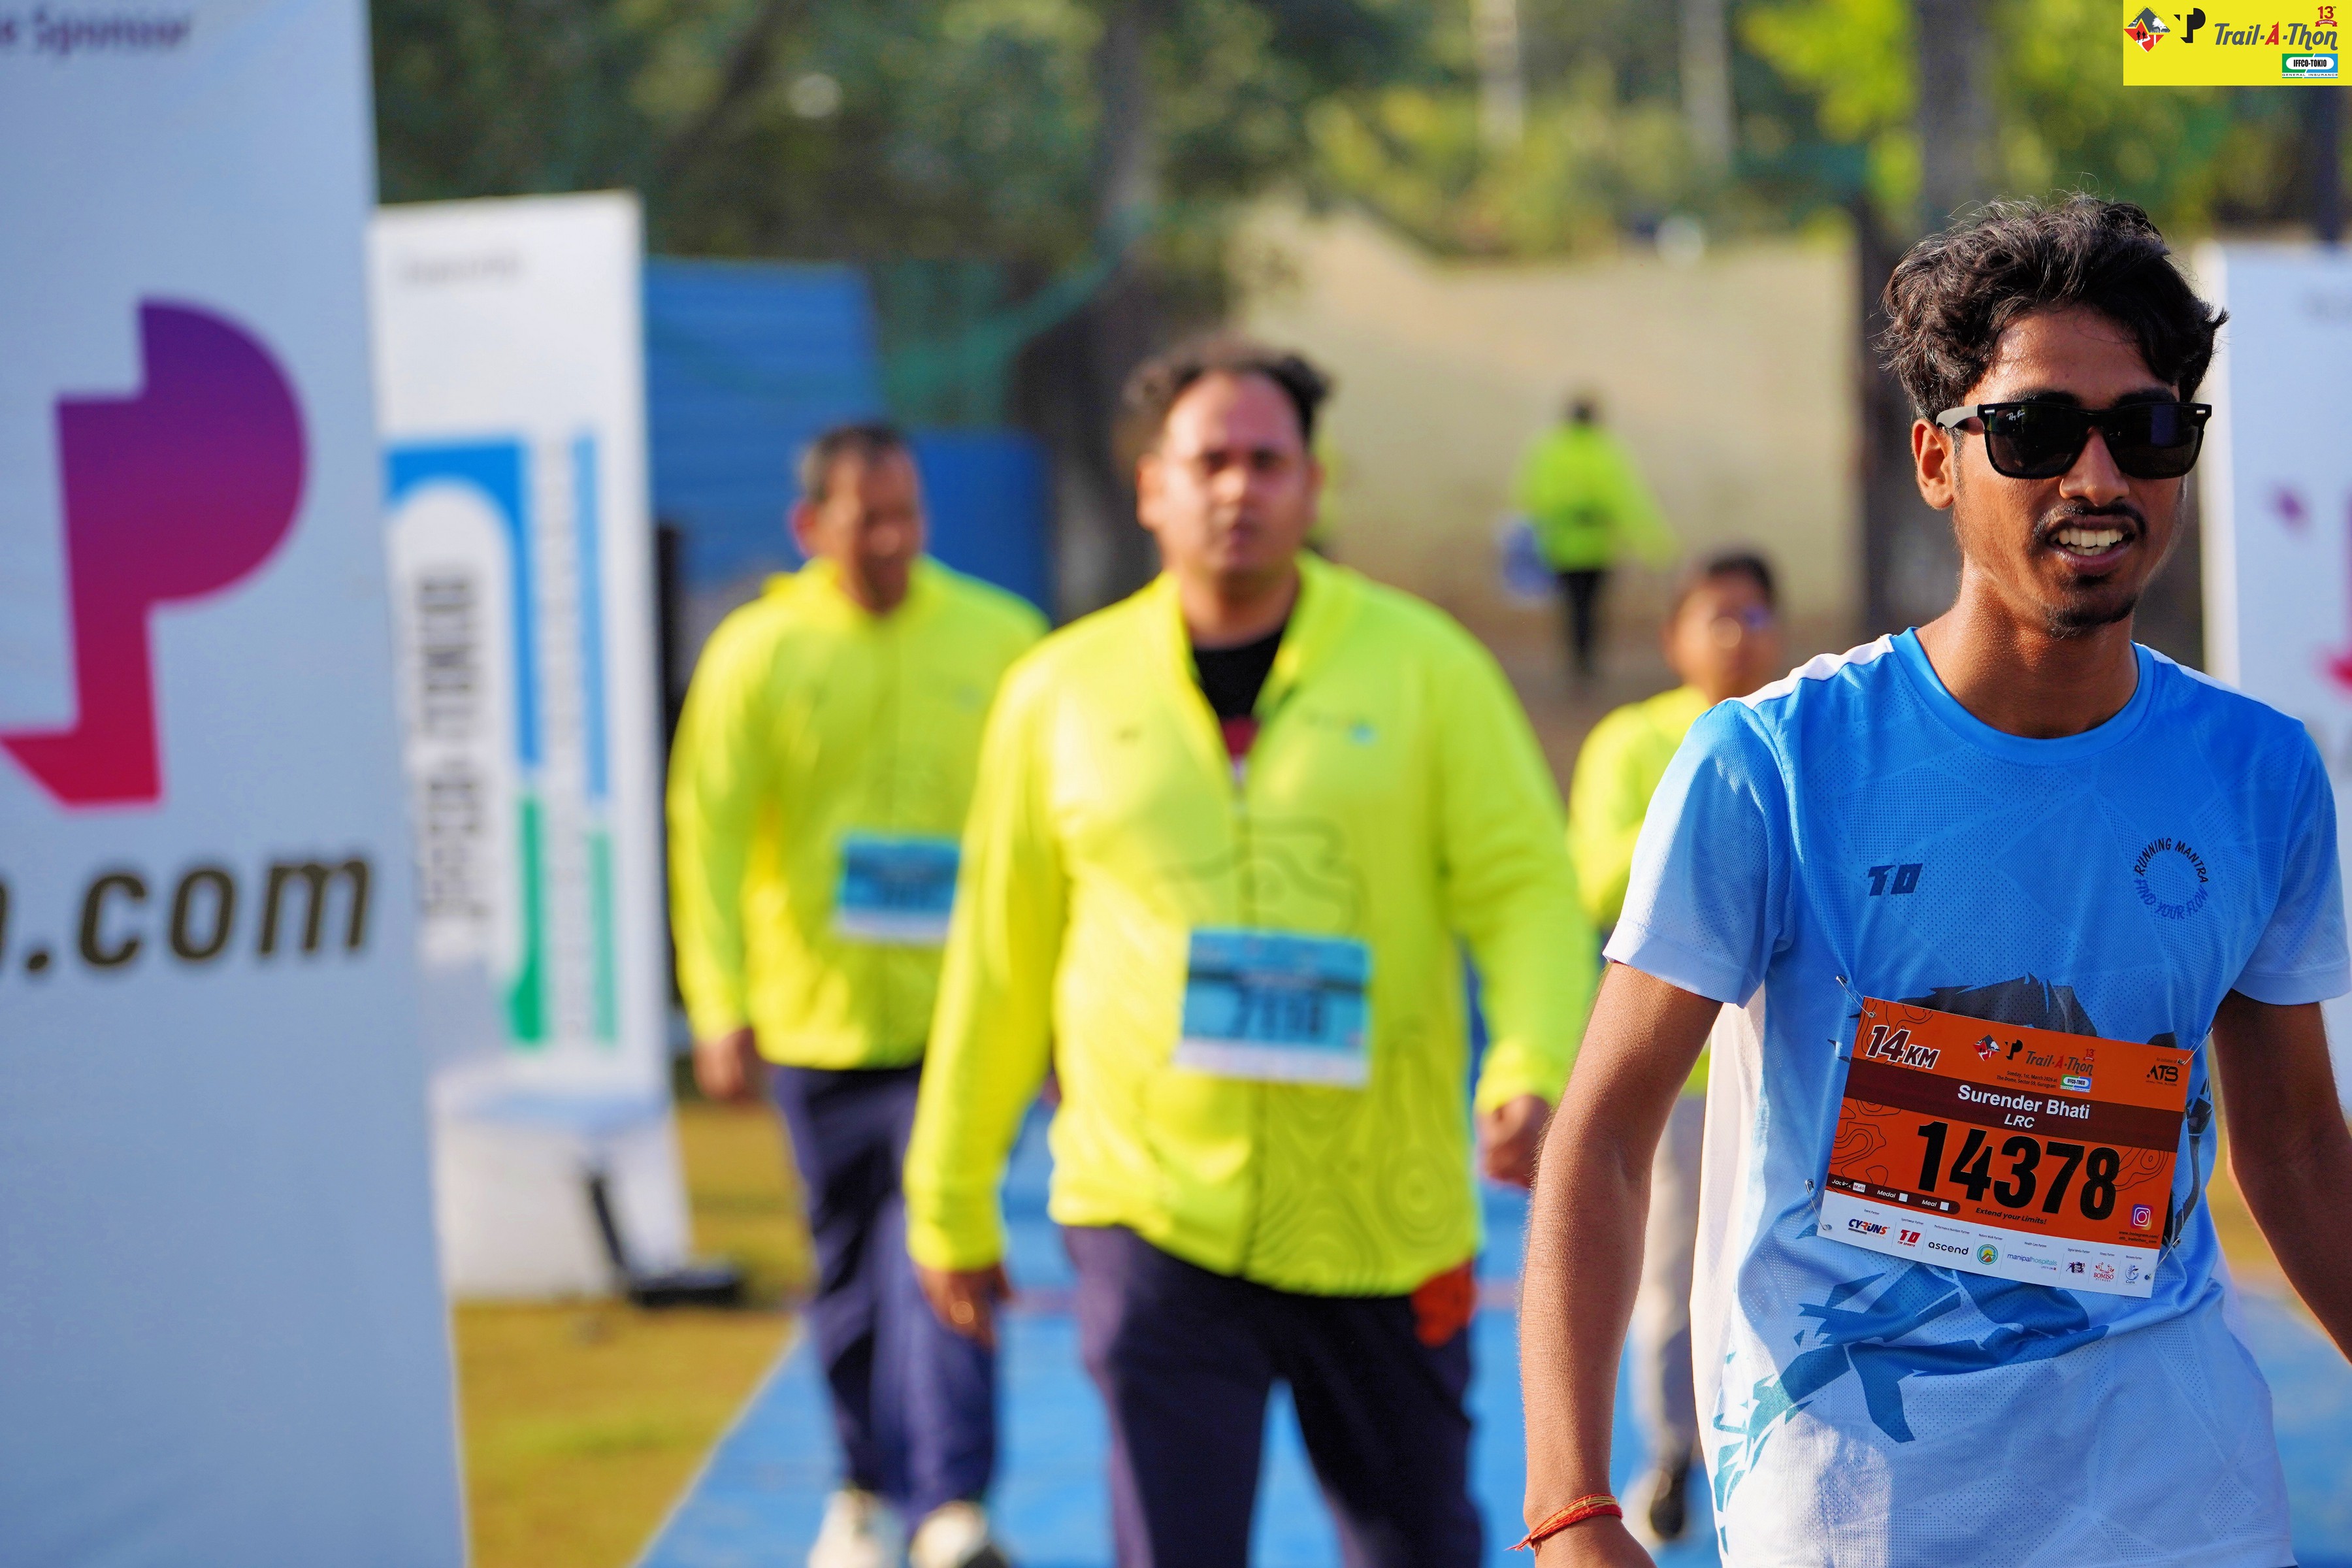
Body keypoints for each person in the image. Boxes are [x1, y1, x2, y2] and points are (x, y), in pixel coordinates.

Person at [1519, 194, 2352, 1568]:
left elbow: (2304, 1151)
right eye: (2035, 433)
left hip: (2179, 1505)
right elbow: (1605, 1137)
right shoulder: (1775, 766)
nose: (2097, 480)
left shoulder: (2258, 775)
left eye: (2147, 430)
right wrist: (1569, 1507)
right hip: (1857, 1515)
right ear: (1936, 460)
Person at [902, 336, 1593, 1567]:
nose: (1238, 488)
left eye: (1267, 462)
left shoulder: (1428, 669)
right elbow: (1000, 957)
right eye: (1208, 461)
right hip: (1150, 1210)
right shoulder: (1060, 692)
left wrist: (1531, 1065)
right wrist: (951, 1192)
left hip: (1384, 1216)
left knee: (1419, 1545)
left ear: (1312, 486)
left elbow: (1525, 891)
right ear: (1151, 488)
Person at [668, 423, 1045, 1568]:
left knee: (947, 1240)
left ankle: (954, 1506)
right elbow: (706, 834)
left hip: (965, 1020)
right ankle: (864, 1490)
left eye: (908, 515)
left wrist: (1057, 1012)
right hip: (816, 1024)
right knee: (848, 1273)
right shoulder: (757, 653)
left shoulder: (1002, 640)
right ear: (809, 526)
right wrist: (718, 1003)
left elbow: (1051, 836)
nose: (892, 539)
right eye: (866, 518)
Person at [1561, 549, 1784, 1546]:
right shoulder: (1631, 745)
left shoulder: (1803, 732)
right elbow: (1595, 884)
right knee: (1673, 1268)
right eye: (1716, 616)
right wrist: (1706, 807)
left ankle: (1771, 1443)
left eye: (1754, 615)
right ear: (1675, 638)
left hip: (1786, 1068)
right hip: (1679, 1073)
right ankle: (1671, 1453)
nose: (1737, 635)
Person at [1514, 395, 1677, 681]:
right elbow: (1628, 501)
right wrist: (1654, 544)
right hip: (1596, 547)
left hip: (1565, 547)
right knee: (1590, 607)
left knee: (1574, 607)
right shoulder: (1606, 452)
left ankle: (1578, 662)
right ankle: (1585, 662)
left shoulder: (1551, 451)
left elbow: (1534, 496)